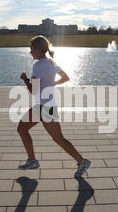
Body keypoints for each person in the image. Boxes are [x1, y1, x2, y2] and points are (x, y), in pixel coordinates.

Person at [17, 36, 91, 178]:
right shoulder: (52, 62)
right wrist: (51, 85)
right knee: (54, 137)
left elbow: (34, 90)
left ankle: (34, 161)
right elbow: (66, 78)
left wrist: (25, 79)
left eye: (31, 49)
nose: (30, 52)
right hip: (48, 106)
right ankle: (81, 161)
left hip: (43, 107)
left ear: (38, 49)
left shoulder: (38, 65)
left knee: (25, 130)